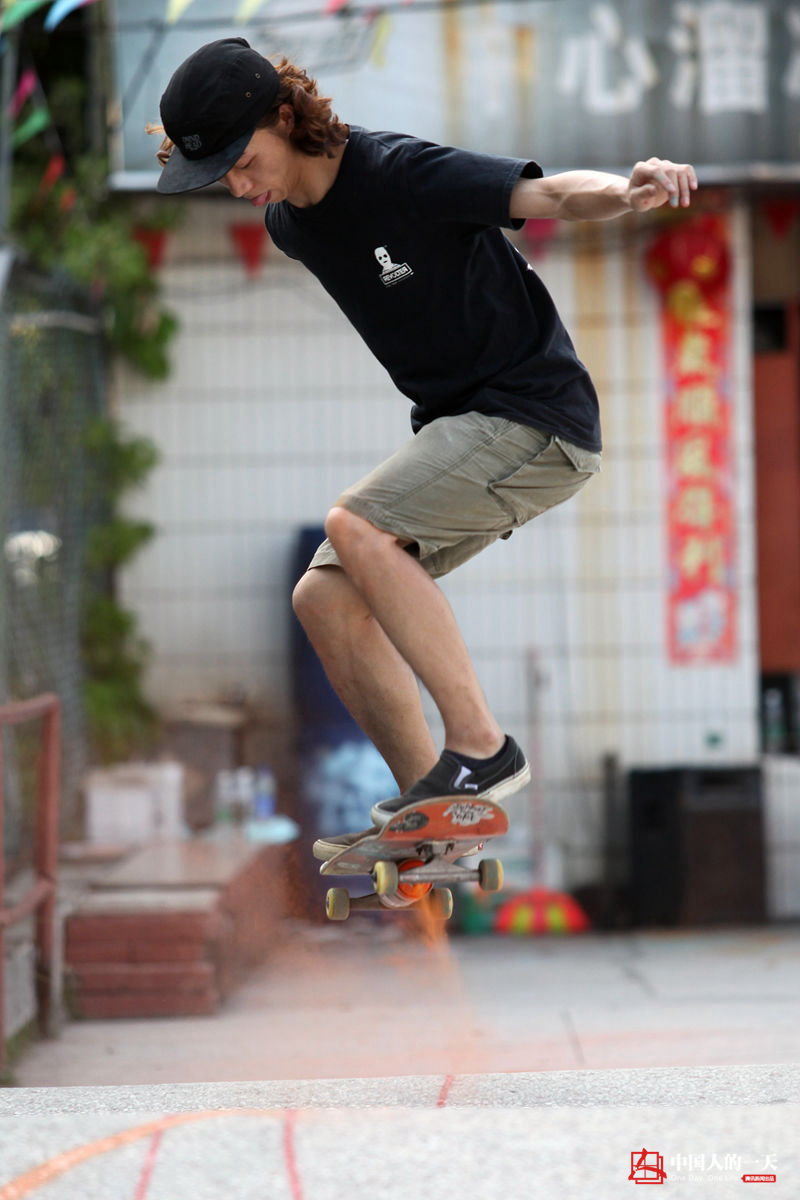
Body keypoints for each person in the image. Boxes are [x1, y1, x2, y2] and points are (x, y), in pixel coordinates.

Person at [152, 37, 698, 848]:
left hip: (537, 417)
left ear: (285, 117)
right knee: (323, 597)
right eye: (221, 175)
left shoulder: (399, 173)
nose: (238, 186)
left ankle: (482, 745)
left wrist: (628, 188)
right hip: (468, 429)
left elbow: (550, 194)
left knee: (356, 525)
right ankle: (434, 819)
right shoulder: (290, 226)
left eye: (244, 161)